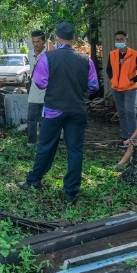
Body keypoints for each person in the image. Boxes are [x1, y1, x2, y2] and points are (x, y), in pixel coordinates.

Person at [19, 22, 99, 203]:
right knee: (75, 150)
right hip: (77, 110)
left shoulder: (48, 57)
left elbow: (40, 83)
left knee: (46, 146)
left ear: (56, 38)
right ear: (73, 39)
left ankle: (34, 180)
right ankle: (71, 191)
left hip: (53, 110)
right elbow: (94, 86)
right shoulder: (86, 59)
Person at [106, 30, 137, 146]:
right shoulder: (112, 54)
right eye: (117, 39)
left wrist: (131, 80)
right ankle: (125, 136)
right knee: (121, 112)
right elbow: (109, 69)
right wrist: (113, 79)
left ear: (126, 40)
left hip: (129, 88)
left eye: (121, 39)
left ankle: (133, 137)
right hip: (116, 88)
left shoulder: (134, 54)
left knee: (129, 111)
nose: (119, 41)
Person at [26, 30, 49, 148]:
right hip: (34, 92)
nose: (36, 44)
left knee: (45, 120)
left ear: (44, 41)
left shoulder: (49, 55)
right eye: (33, 42)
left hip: (47, 92)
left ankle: (45, 143)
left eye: (38, 41)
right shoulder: (30, 54)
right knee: (31, 118)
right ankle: (31, 142)